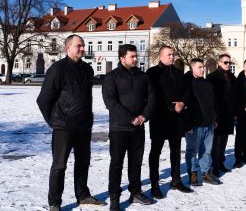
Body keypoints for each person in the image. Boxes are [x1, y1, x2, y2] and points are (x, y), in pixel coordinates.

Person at [37, 34, 105, 211]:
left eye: (83, 45)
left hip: (83, 126)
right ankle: (55, 203)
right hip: (63, 127)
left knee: (83, 162)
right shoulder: (57, 69)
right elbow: (44, 99)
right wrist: (54, 121)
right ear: (68, 48)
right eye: (79, 46)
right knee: (59, 166)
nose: (82, 48)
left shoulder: (87, 70)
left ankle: (82, 195)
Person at [102, 44, 156, 209]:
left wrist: (144, 116)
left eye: (135, 56)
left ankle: (135, 192)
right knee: (116, 163)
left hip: (138, 128)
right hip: (119, 128)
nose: (135, 59)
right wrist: (130, 118)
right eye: (131, 56)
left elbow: (152, 97)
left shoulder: (143, 76)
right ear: (122, 58)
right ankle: (114, 196)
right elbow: (110, 102)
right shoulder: (111, 77)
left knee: (136, 162)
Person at [146, 46, 192, 199]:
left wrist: (182, 103)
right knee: (156, 152)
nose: (172, 57)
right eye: (169, 55)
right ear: (160, 57)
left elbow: (187, 91)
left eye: (173, 55)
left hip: (176, 119)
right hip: (159, 117)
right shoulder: (152, 73)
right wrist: (172, 105)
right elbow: (153, 95)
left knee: (176, 151)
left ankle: (176, 180)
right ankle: (154, 184)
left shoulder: (179, 73)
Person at [182, 58, 222, 186]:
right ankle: (193, 173)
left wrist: (214, 118)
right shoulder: (187, 83)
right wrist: (187, 125)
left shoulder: (207, 83)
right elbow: (184, 106)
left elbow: (214, 102)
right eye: (199, 67)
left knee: (206, 151)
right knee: (192, 151)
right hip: (194, 125)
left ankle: (205, 173)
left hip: (208, 123)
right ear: (192, 68)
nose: (202, 69)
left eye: (203, 67)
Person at [207, 53, 237, 176]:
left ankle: (220, 162)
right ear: (219, 63)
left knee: (224, 139)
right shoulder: (212, 77)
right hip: (217, 113)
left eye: (229, 62)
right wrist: (213, 115)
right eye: (225, 62)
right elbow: (210, 97)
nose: (228, 64)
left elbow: (235, 94)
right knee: (216, 141)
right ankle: (214, 166)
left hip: (228, 114)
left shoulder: (231, 77)